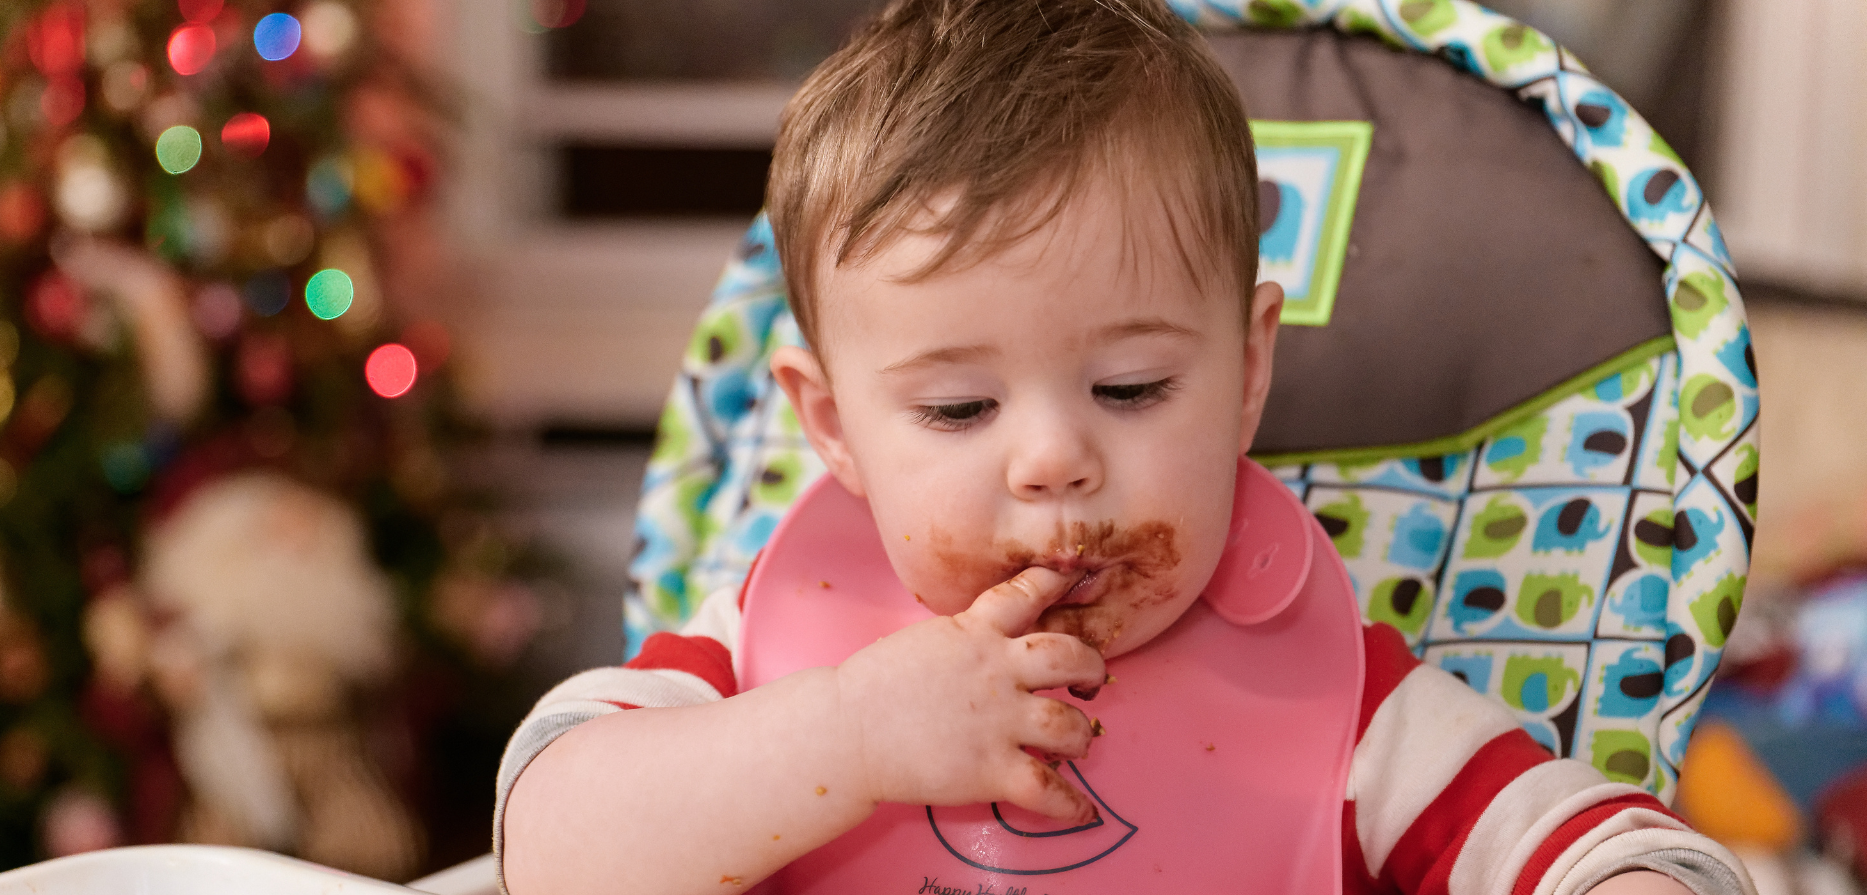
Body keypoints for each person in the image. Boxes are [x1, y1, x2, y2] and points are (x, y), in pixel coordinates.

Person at [495, 1, 1754, 893]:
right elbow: (544, 846)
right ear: (831, 426)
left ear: (1250, 369)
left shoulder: (1337, 711)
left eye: (1134, 385)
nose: (1054, 458)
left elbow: (1588, 844)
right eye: (955, 409)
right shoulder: (769, 656)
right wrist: (844, 736)